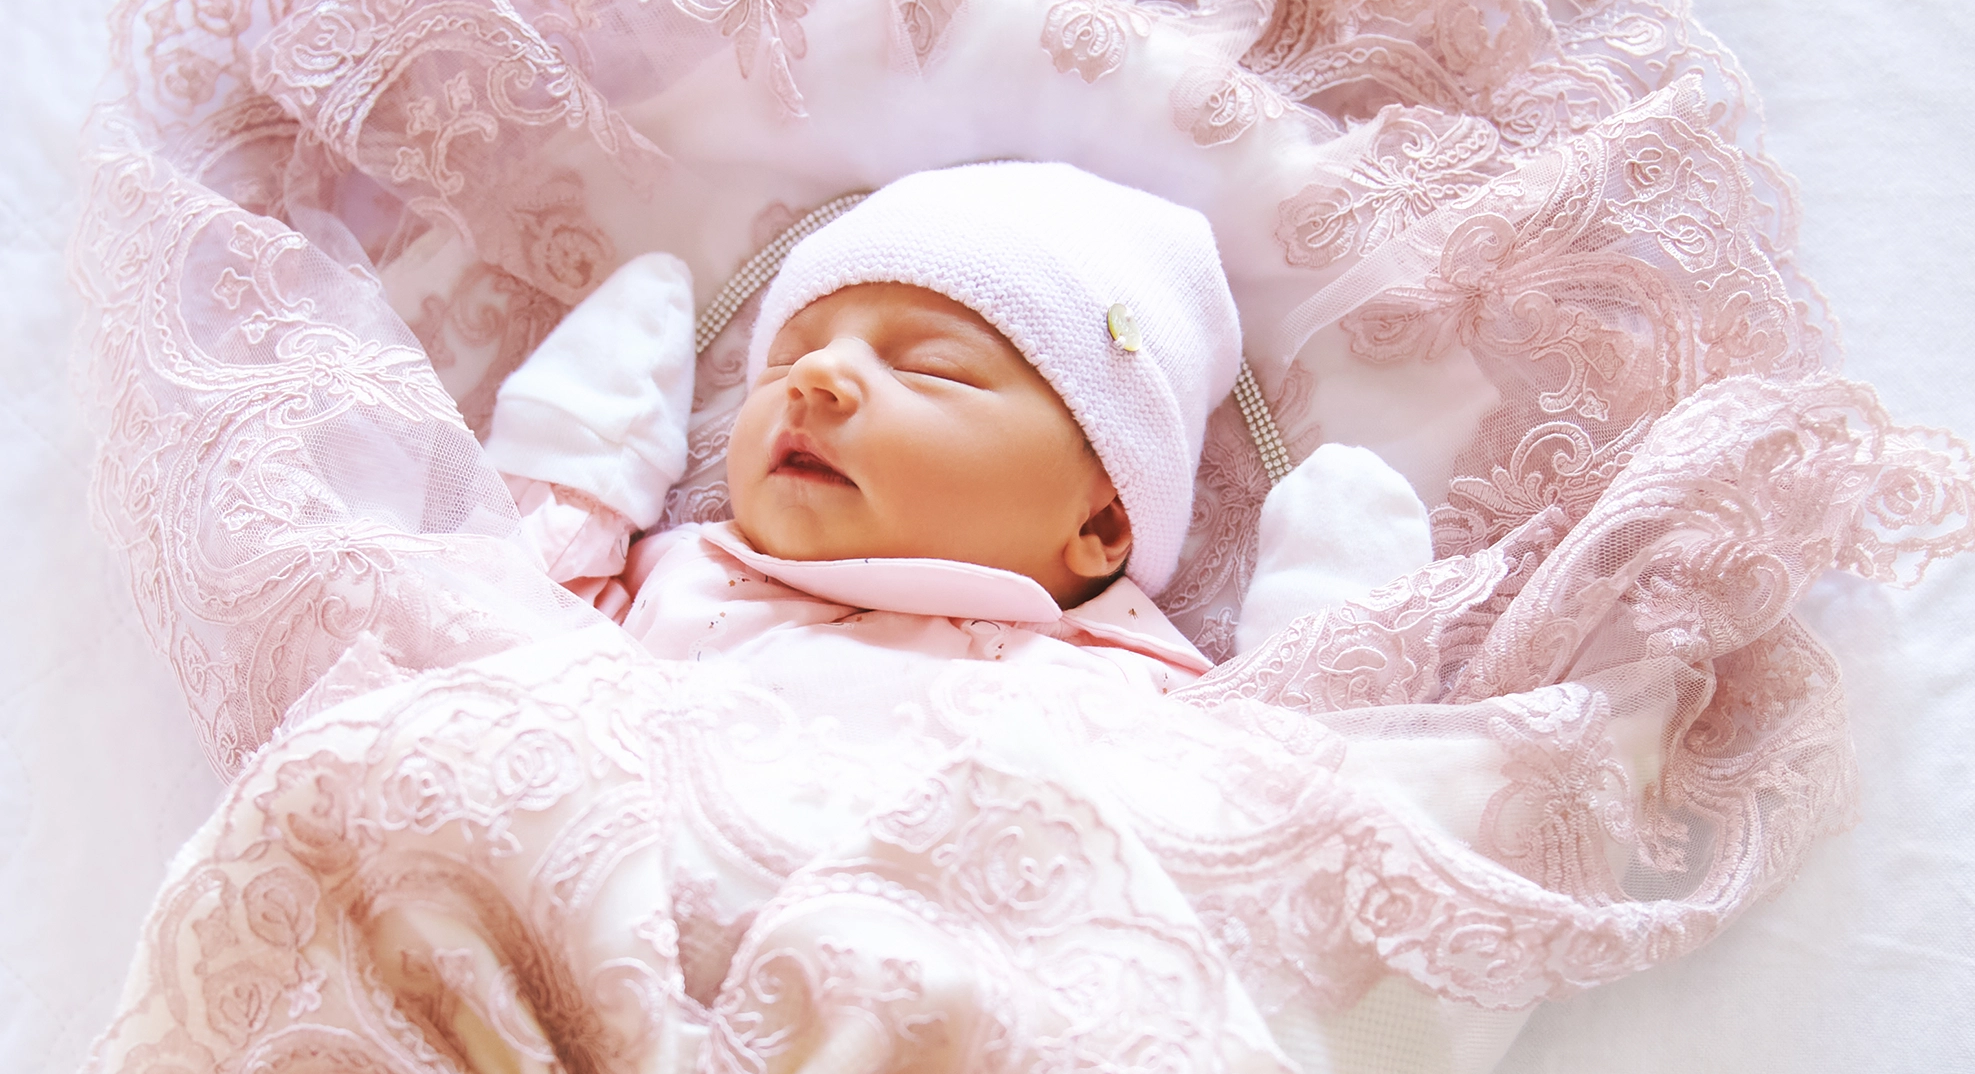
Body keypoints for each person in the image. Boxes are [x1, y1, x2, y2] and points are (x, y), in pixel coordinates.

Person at [484, 160, 1436, 698]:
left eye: (928, 367)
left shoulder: (1125, 678)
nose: (816, 375)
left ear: (1102, 524)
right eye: (786, 359)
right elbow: (504, 610)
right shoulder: (677, 577)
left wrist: (1333, 634)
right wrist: (581, 454)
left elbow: (1282, 812)